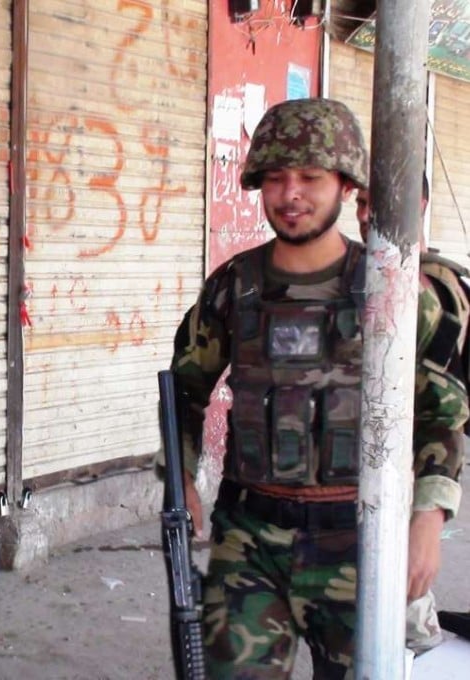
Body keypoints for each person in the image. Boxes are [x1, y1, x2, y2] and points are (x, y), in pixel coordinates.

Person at [168, 98, 467, 678]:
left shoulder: (394, 289)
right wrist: (181, 474)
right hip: (248, 538)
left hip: (360, 540)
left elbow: (441, 411)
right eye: (276, 178)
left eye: (310, 177)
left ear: (347, 186)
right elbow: (184, 388)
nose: (291, 194)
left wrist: (429, 518)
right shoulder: (233, 286)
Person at [356, 175, 470, 655]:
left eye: (377, 202)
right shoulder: (365, 274)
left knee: (404, 619)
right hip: (359, 475)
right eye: (360, 202)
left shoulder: (432, 290)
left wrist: (429, 512)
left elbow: (441, 414)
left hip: (404, 471)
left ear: (418, 204)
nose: (365, 214)